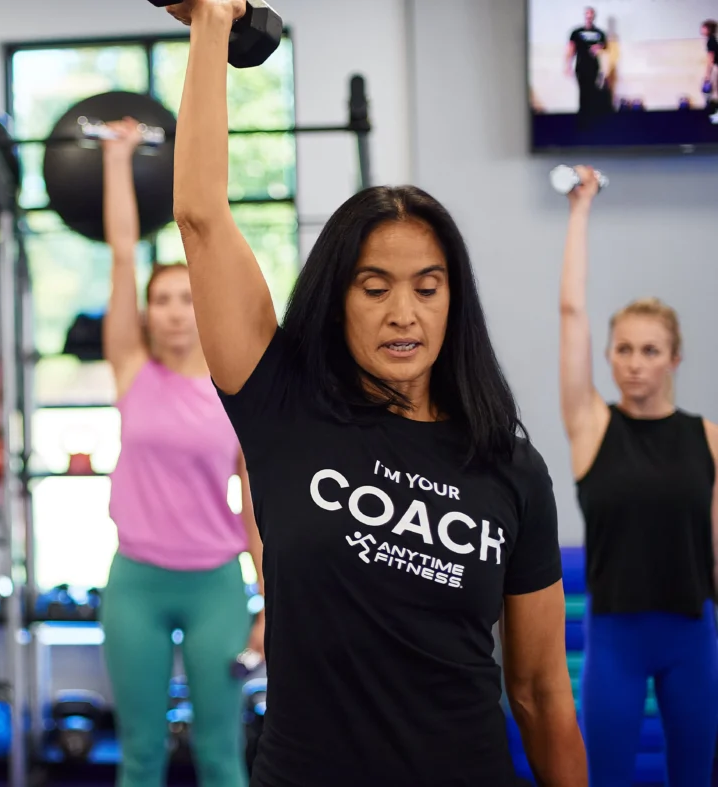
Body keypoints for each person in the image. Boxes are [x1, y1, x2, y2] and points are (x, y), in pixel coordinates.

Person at [161, 2, 588, 785]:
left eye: (428, 287)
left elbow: (538, 689)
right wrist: (213, 24)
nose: (404, 312)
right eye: (375, 286)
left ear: (453, 300)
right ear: (339, 298)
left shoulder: (510, 468)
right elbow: (201, 217)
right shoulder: (282, 403)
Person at [96, 118, 265, 787]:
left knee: (221, 752)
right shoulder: (131, 368)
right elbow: (119, 255)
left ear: (204, 306)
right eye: (160, 299)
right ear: (145, 312)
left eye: (186, 297)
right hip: (135, 580)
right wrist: (118, 161)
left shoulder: (235, 391)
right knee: (140, 753)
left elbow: (257, 512)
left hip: (216, 585)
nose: (171, 310)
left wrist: (267, 606)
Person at [556, 167, 718, 787]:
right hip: (617, 640)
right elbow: (572, 312)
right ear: (608, 356)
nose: (634, 363)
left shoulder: (706, 440)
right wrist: (580, 210)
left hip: (691, 638)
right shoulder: (591, 425)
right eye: (623, 349)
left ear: (675, 358)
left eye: (650, 350)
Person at [566, 7, 609, 123]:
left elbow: (605, 47)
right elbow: (570, 49)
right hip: (581, 66)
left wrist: (598, 47)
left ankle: (593, 118)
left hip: (594, 67)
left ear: (594, 17)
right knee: (583, 92)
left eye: (591, 15)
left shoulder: (599, 33)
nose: (589, 17)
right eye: (587, 15)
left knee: (593, 91)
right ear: (585, 16)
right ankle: (582, 119)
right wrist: (567, 65)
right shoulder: (577, 32)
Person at [702, 19, 717, 110]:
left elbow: (711, 59)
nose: (702, 30)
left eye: (703, 28)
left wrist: (707, 75)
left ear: (708, 29)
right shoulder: (713, 40)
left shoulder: (711, 41)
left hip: (716, 68)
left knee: (710, 91)